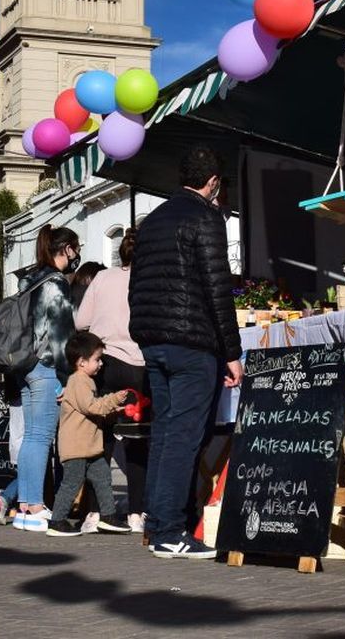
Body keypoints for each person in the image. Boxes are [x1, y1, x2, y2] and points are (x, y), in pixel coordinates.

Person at [128, 146, 242, 559]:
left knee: (165, 432)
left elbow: (135, 284)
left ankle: (158, 523)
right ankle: (170, 531)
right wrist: (232, 352)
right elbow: (218, 288)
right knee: (184, 436)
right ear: (212, 182)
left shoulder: (153, 220)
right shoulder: (206, 218)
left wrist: (143, 332)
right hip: (192, 342)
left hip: (154, 339)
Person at [2, 225, 80, 532]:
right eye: (75, 248)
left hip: (24, 366)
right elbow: (61, 337)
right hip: (46, 367)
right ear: (65, 249)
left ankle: (25, 505)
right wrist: (65, 379)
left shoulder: (30, 282)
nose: (76, 255)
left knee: (32, 437)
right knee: (40, 437)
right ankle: (33, 505)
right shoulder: (56, 284)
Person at [75, 227, 151, 533]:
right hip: (140, 364)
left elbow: (81, 322)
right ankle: (136, 513)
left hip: (106, 364)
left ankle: (95, 513)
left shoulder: (103, 278)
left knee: (101, 441)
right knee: (137, 441)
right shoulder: (151, 279)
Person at [46, 330, 132, 536]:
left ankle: (108, 516)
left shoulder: (86, 381)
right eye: (97, 359)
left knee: (103, 478)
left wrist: (113, 410)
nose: (100, 363)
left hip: (90, 448)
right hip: (77, 448)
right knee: (72, 483)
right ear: (81, 362)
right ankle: (57, 521)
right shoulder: (79, 381)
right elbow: (91, 407)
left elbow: (91, 412)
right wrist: (113, 400)